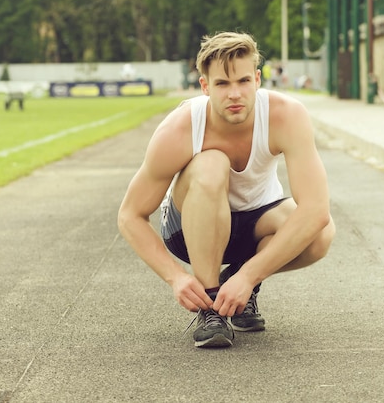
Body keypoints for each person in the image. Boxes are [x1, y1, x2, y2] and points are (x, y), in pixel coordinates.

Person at [118, 31, 335, 349]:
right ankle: (210, 305)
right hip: (188, 229)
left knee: (322, 233)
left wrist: (248, 277)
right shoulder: (180, 128)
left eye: (243, 81)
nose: (235, 94)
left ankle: (234, 290)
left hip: (255, 224)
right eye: (222, 84)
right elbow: (130, 214)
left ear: (258, 79)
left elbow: (315, 210)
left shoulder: (286, 115)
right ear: (205, 86)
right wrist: (176, 277)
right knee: (211, 163)